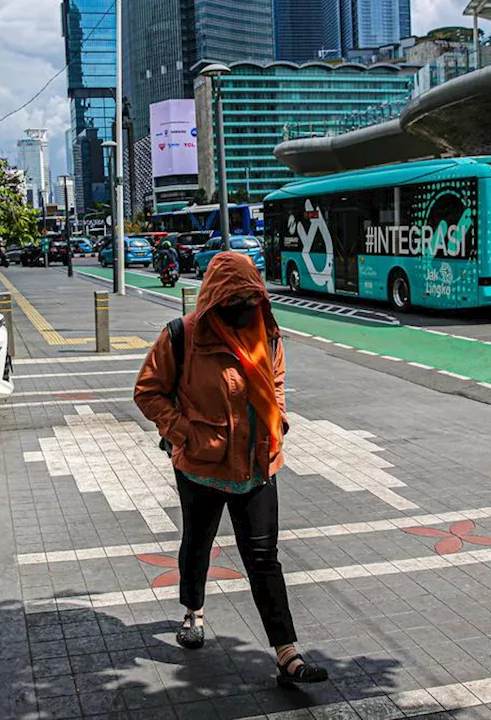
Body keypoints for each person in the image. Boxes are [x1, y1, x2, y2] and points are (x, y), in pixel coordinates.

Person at [133, 252, 328, 687]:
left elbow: (275, 384)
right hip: (201, 466)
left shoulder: (269, 334)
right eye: (234, 299)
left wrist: (279, 417)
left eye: (250, 297)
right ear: (215, 298)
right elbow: (147, 391)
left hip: (258, 464)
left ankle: (287, 653)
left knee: (264, 559)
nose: (244, 307)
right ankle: (193, 612)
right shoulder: (183, 336)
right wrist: (182, 431)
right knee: (198, 541)